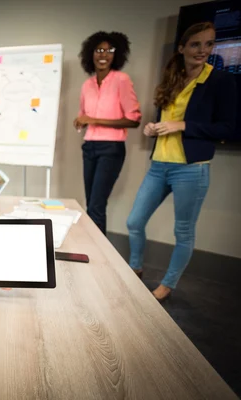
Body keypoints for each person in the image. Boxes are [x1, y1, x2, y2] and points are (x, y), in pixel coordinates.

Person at [126, 22, 237, 301]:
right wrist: (152, 128)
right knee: (134, 221)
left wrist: (183, 125)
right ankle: (135, 268)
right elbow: (165, 120)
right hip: (159, 165)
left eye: (209, 44)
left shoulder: (221, 81)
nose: (203, 50)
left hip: (191, 170)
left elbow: (228, 129)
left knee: (183, 231)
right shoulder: (172, 78)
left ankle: (168, 284)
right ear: (182, 48)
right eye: (195, 44)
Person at [74, 31, 141, 235]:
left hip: (111, 149)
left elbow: (134, 119)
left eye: (109, 50)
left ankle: (98, 255)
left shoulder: (122, 79)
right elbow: (83, 116)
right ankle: (95, 248)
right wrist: (80, 122)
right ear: (90, 54)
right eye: (99, 50)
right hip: (89, 147)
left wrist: (94, 120)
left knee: (96, 205)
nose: (104, 54)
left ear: (117, 54)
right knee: (91, 204)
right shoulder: (87, 85)